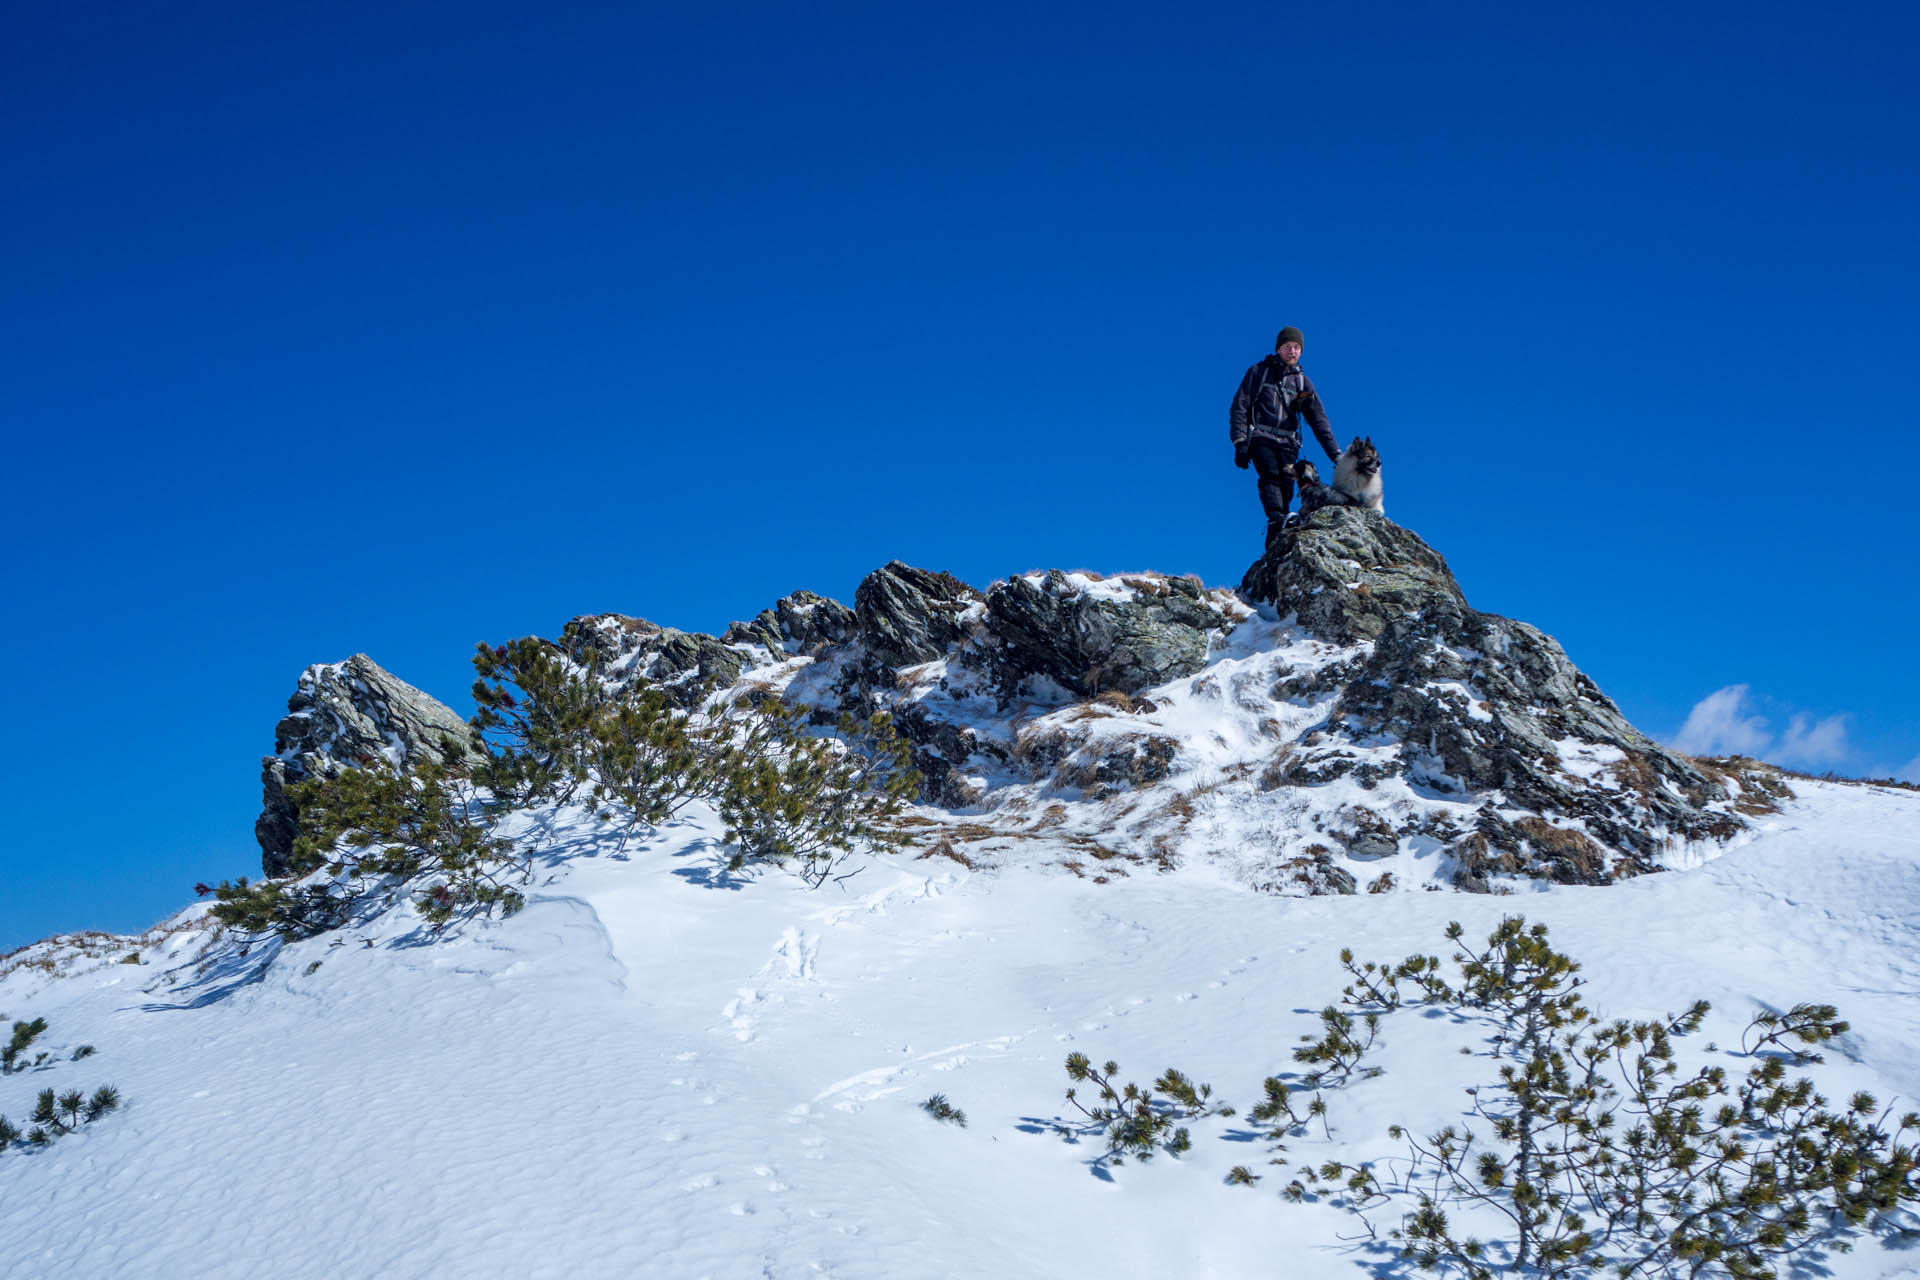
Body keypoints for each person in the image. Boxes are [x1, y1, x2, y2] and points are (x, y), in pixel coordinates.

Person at [1228, 326, 1343, 547]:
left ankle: (1278, 534)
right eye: (1288, 346)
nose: (1293, 351)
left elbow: (1319, 421)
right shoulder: (1259, 372)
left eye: (1297, 347)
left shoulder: (1302, 383)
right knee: (1270, 477)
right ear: (1278, 348)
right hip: (1261, 436)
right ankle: (1277, 519)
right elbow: (1240, 407)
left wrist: (1336, 455)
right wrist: (1240, 442)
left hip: (1289, 442)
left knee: (1287, 486)